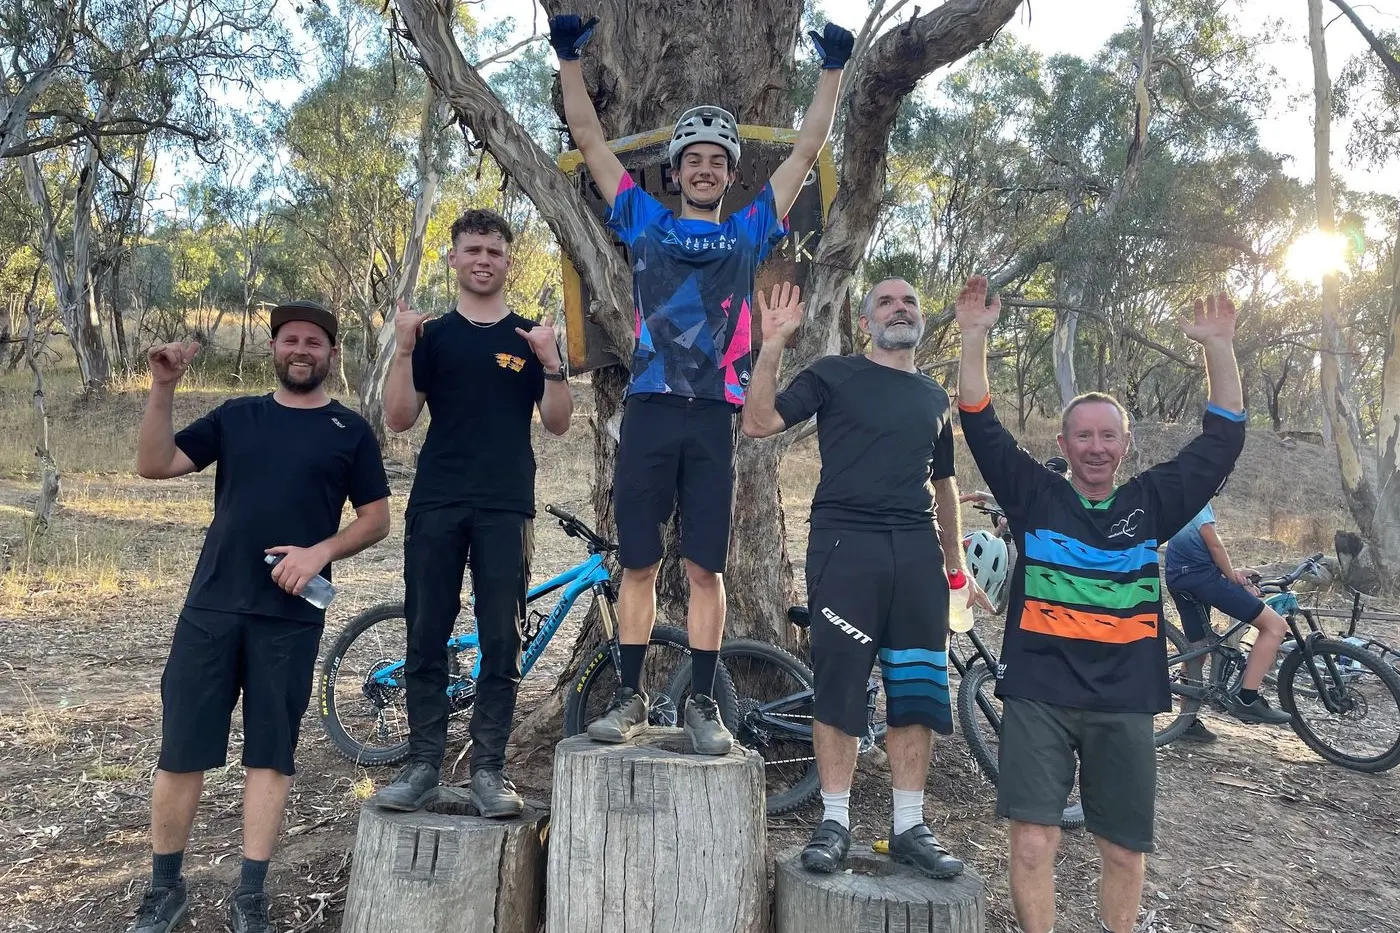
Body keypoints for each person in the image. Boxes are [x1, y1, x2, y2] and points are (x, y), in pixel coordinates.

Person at [547, 12, 854, 753]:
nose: (706, 169)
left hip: (715, 416)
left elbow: (808, 149)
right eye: (694, 160)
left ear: (730, 173)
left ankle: (705, 705)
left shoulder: (749, 230)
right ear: (676, 171)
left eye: (718, 160)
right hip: (651, 410)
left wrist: (832, 71)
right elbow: (589, 141)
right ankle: (628, 697)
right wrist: (568, 60)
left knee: (706, 568)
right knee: (638, 562)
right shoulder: (644, 223)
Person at [954, 275, 1248, 933]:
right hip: (1040, 692)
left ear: (1125, 444)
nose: (1095, 446)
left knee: (1122, 849)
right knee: (1034, 842)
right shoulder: (1035, 495)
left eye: (1107, 436)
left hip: (1124, 697)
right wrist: (974, 335)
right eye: (1082, 436)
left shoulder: (1152, 503)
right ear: (1063, 446)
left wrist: (1218, 346)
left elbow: (1223, 439)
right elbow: (979, 420)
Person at [130, 301, 392, 933]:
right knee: (181, 750)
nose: (301, 350)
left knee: (270, 756)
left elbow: (377, 519)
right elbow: (154, 464)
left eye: (314, 342)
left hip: (290, 617)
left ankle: (250, 897)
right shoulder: (236, 416)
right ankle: (166, 890)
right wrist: (162, 387)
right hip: (212, 607)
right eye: (290, 340)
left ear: (332, 354)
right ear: (274, 348)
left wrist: (319, 553)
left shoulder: (349, 430)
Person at [742, 278, 991, 878]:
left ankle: (909, 826)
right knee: (841, 686)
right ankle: (834, 821)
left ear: (920, 318)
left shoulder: (934, 396)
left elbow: (945, 485)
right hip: (845, 549)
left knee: (917, 691)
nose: (899, 309)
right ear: (865, 322)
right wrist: (772, 343)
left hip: (918, 557)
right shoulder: (834, 375)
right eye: (886, 301)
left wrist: (955, 565)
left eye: (909, 302)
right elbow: (758, 421)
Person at [368, 209, 573, 818]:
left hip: (506, 505)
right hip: (437, 500)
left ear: (509, 261)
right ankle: (422, 765)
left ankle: (489, 771)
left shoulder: (531, 336)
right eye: (473, 249)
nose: (484, 259)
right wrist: (404, 348)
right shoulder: (432, 336)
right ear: (453, 258)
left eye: (494, 251)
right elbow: (398, 418)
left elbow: (558, 423)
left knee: (501, 637)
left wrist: (552, 362)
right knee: (427, 631)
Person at [1165, 490, 1293, 738]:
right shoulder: (1197, 498)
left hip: (1179, 577)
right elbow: (1213, 543)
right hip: (1201, 579)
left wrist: (1233, 572)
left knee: (1198, 647)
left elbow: (1197, 549)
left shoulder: (1179, 496)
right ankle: (1248, 698)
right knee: (1275, 627)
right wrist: (1233, 578)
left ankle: (1186, 722)